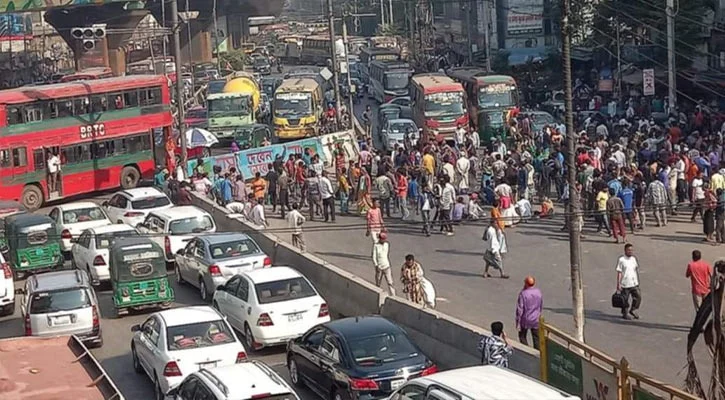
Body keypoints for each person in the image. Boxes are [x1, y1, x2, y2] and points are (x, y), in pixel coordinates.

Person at [516, 276, 543, 349]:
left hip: (525, 319)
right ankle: (537, 351)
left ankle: (526, 349)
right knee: (536, 337)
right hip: (536, 319)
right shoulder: (538, 292)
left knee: (522, 336)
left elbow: (520, 309)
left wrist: (518, 322)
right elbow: (540, 305)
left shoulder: (523, 294)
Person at [616, 243, 641, 320]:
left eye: (631, 250)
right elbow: (619, 272)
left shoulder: (633, 259)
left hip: (634, 283)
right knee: (625, 300)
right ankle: (625, 313)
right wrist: (618, 284)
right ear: (625, 250)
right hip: (625, 283)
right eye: (628, 250)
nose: (630, 251)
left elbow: (635, 270)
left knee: (638, 297)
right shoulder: (621, 260)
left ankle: (633, 310)